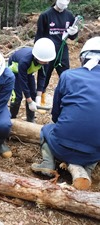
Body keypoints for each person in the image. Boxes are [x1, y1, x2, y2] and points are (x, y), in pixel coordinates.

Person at [31, 36, 100, 181]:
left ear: (83, 58)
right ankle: (87, 169)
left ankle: (48, 163)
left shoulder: (68, 76)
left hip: (61, 146)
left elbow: (56, 115)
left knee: (46, 129)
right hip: (93, 153)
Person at [35, 0, 79, 105]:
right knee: (44, 74)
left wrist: (74, 32)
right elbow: (39, 36)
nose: (63, 5)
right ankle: (41, 98)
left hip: (62, 49)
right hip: (47, 50)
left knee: (65, 75)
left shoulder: (69, 15)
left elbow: (72, 37)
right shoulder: (45, 15)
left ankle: (67, 98)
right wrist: (37, 54)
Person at [9, 38, 56, 122]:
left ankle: (30, 119)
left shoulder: (45, 60)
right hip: (15, 71)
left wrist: (38, 95)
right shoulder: (25, 61)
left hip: (28, 71)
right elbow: (23, 81)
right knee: (17, 97)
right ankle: (12, 118)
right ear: (37, 57)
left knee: (33, 93)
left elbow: (42, 76)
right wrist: (29, 101)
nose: (47, 63)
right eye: (45, 62)